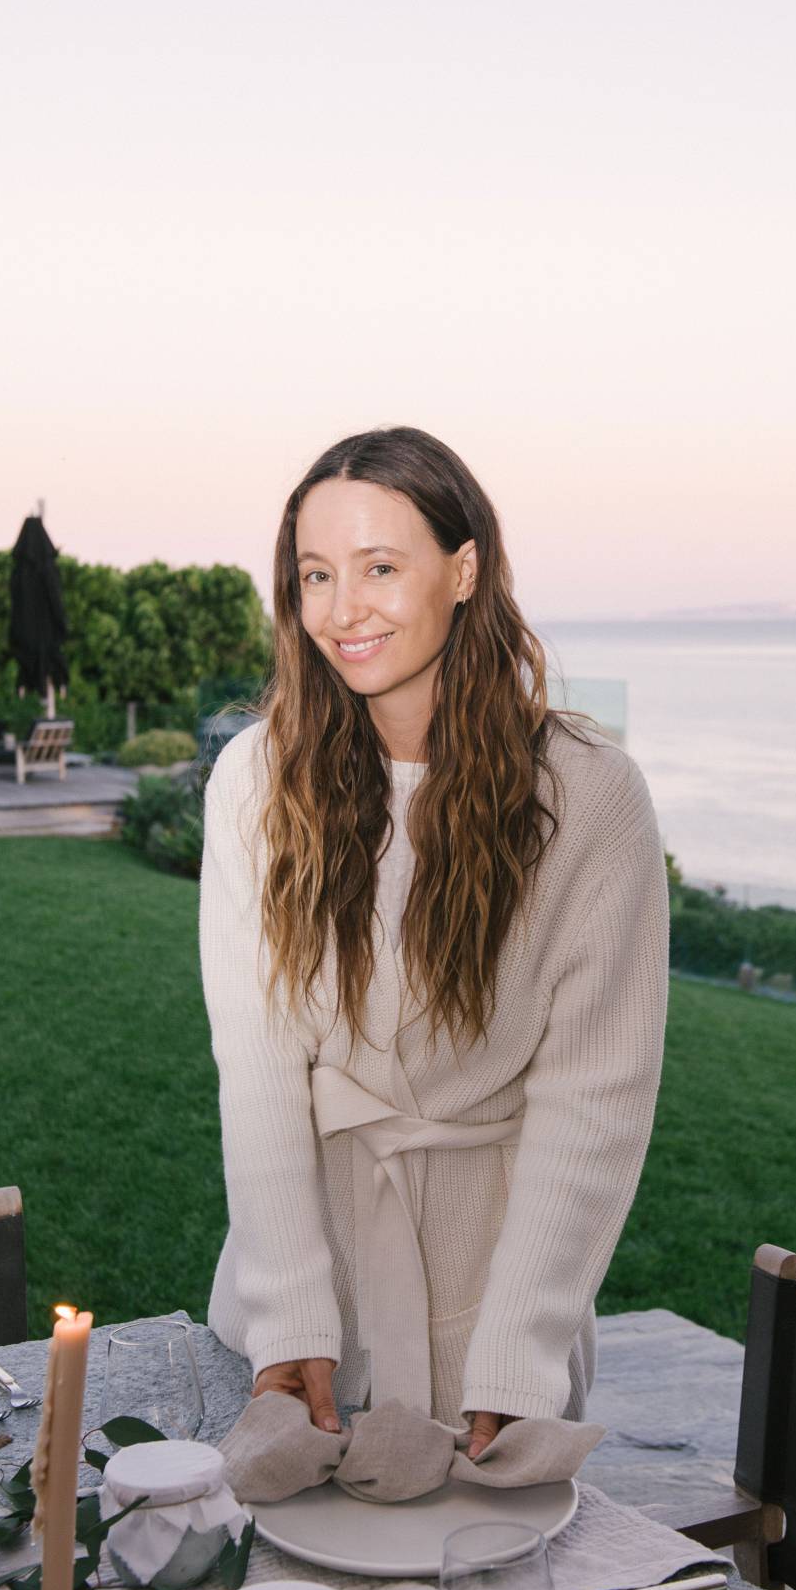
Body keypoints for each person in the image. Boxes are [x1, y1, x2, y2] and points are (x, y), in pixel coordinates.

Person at [200, 426, 670, 1462]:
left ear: (464, 569)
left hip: (496, 1319)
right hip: (297, 1308)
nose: (340, 609)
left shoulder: (590, 798)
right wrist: (290, 1326)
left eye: (379, 567)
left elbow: (594, 1096)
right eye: (315, 574)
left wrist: (516, 1355)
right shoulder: (255, 783)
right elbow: (261, 1065)